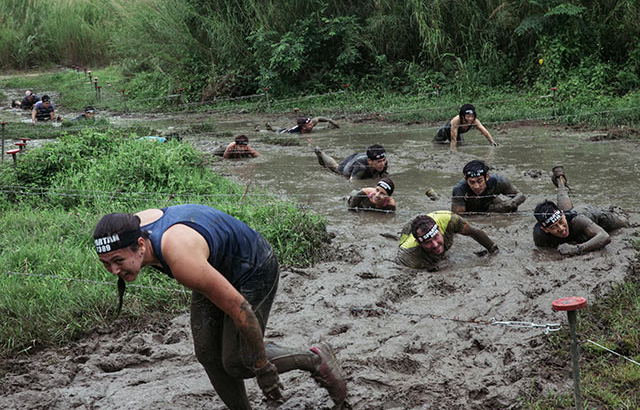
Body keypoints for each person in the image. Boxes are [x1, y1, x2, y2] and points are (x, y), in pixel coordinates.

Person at [93, 204, 347, 409]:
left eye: (118, 261)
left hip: (253, 268)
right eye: (106, 263)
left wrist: (263, 366)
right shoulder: (128, 229)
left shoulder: (180, 258)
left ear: (139, 245)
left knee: (239, 361)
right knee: (207, 353)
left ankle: (316, 359)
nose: (114, 270)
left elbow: (241, 308)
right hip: (214, 264)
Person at [533, 166, 630, 256]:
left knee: (625, 222)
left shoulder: (578, 220)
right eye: (554, 227)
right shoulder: (539, 235)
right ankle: (560, 180)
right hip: (571, 216)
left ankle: (615, 211)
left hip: (589, 213)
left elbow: (604, 237)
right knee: (568, 211)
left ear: (562, 214)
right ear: (545, 229)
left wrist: (576, 249)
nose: (561, 228)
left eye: (561, 222)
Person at [396, 211, 498, 271]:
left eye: (436, 237)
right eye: (428, 242)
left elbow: (475, 232)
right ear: (419, 243)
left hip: (437, 218)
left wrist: (494, 250)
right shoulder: (407, 255)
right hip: (409, 237)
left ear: (440, 229)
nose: (435, 244)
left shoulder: (451, 220)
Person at [451, 160, 526, 214]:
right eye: (472, 182)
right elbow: (458, 217)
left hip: (490, 204)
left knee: (513, 208)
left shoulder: (498, 181)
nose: (476, 186)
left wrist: (510, 204)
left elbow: (521, 195)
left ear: (486, 177)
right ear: (465, 179)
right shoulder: (459, 189)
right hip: (471, 209)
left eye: (480, 181)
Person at [433, 104, 498, 149]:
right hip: (445, 131)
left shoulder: (475, 121)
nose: (470, 119)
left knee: (460, 146)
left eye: (472, 116)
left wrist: (492, 142)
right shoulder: (456, 120)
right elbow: (453, 140)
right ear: (462, 116)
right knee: (435, 145)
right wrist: (453, 153)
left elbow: (485, 132)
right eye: (468, 116)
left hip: (458, 132)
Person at [315, 144, 388, 181]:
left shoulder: (384, 162)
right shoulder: (360, 166)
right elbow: (353, 183)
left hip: (360, 157)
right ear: (370, 161)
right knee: (337, 168)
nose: (382, 164)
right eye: (379, 161)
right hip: (351, 163)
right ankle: (320, 153)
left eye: (384, 160)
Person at [266, 116, 340, 134]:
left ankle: (271, 127)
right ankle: (269, 129)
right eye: (310, 124)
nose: (312, 125)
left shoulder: (310, 124)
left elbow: (318, 118)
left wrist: (331, 121)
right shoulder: (294, 132)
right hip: (285, 132)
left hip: (292, 128)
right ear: (304, 127)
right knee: (278, 131)